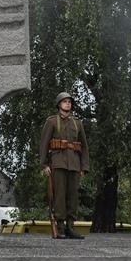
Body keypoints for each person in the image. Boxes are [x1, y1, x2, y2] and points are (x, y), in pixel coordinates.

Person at [39, 91, 90, 239]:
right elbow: (44, 145)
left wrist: (84, 167)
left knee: (73, 197)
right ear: (59, 104)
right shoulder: (52, 122)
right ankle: (60, 228)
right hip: (58, 163)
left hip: (74, 164)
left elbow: (85, 147)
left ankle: (70, 227)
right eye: (64, 101)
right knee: (59, 196)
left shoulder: (77, 123)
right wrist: (44, 165)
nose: (67, 103)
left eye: (69, 101)